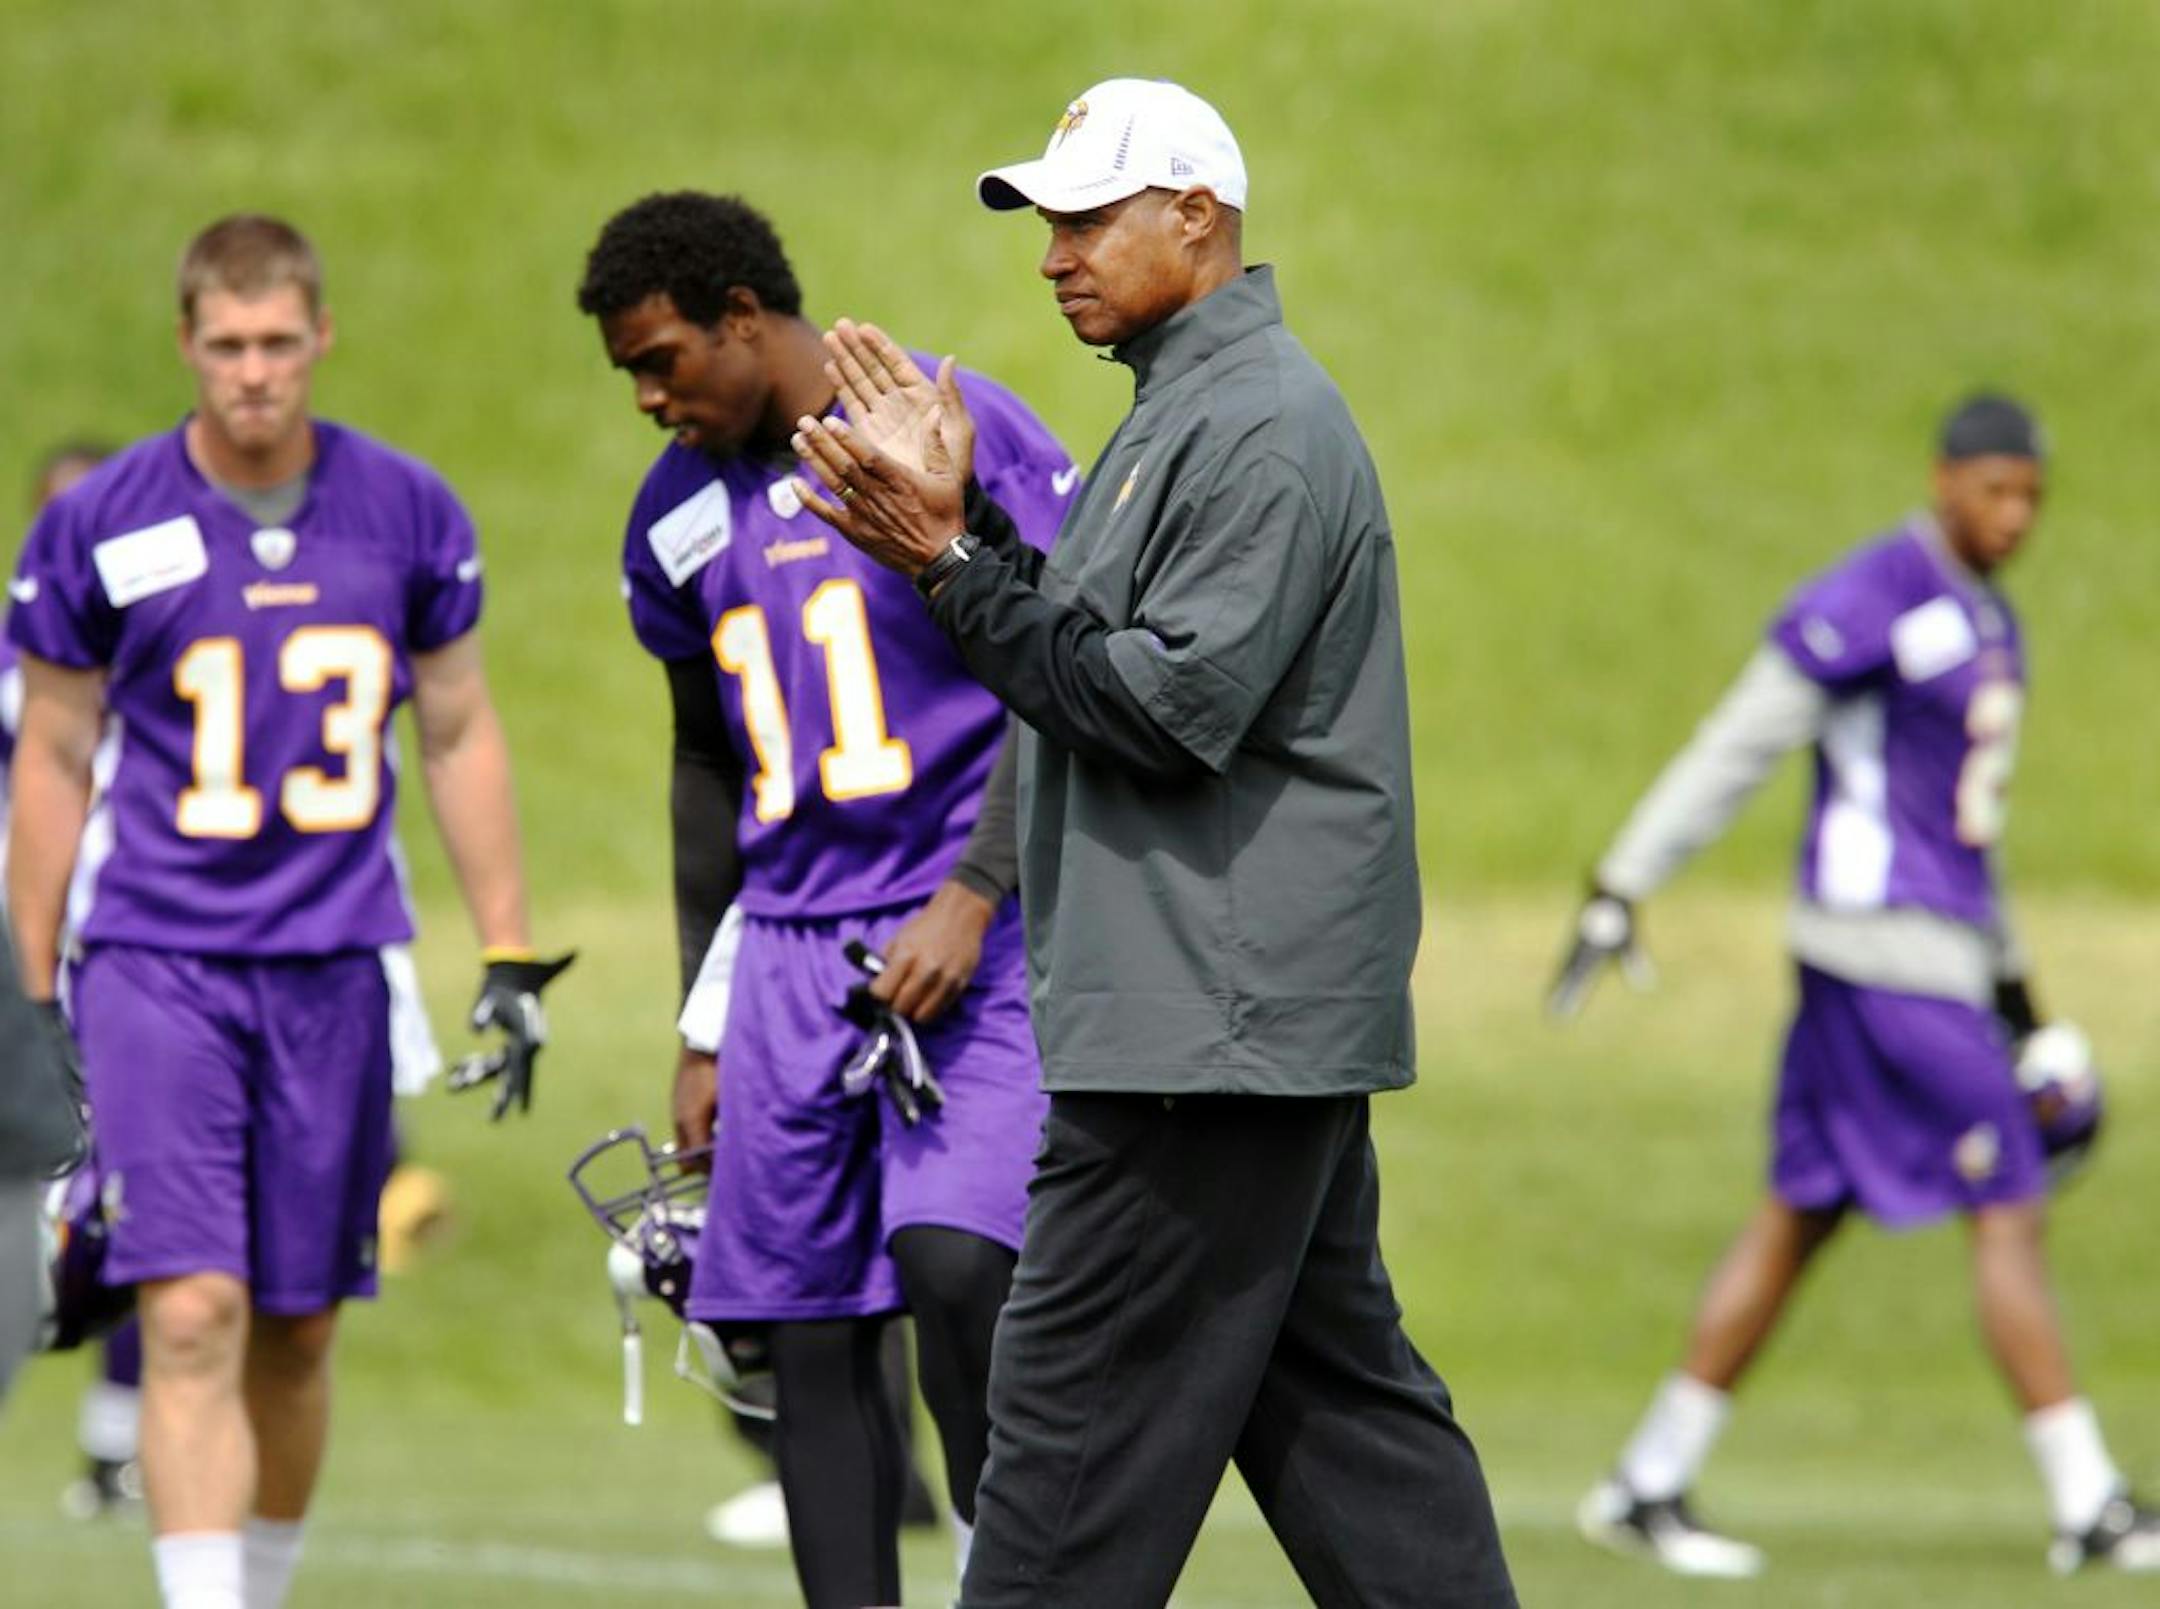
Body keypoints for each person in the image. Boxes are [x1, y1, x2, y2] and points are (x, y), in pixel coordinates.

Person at [790, 76, 1519, 1609]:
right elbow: (1089, 647)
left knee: (1062, 1458)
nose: (1054, 253)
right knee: (1347, 1433)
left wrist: (941, 559)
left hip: (1202, 1029)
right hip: (1224, 1014)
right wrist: (973, 536)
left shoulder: (1254, 426)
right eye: (1043, 223)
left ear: (1198, 217)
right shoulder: (1183, 407)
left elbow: (1163, 707)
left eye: (1088, 218)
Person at [5, 214, 571, 1609]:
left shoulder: (409, 511)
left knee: (300, 1331)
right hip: (159, 961)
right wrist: (28, 992)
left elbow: (455, 730)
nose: (253, 372)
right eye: (226, 345)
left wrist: (506, 945)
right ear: (186, 345)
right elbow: (54, 752)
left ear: (319, 339)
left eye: (276, 343)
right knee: (190, 1309)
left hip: (335, 968)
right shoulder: (102, 521)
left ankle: (257, 1585)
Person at [1547, 395, 2160, 1578]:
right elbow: (1744, 738)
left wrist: (2025, 1005)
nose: (2015, 515)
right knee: (2009, 1198)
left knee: (1802, 1211)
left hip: (1927, 960)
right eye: (1994, 488)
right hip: (1880, 959)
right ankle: (2089, 1505)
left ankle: (1646, 1480)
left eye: (2032, 495)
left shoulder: (1993, 621)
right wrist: (1625, 877)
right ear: (1942, 479)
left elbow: (1967, 839)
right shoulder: (1873, 593)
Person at [574, 191, 1076, 1609]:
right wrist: (702, 1015)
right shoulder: (674, 516)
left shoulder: (938, 424)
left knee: (959, 1269)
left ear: (746, 314)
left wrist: (978, 894)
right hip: (791, 952)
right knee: (809, 1338)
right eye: (630, 374)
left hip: (966, 929)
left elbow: (1063, 671)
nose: (651, 398)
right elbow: (700, 760)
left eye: (664, 359)